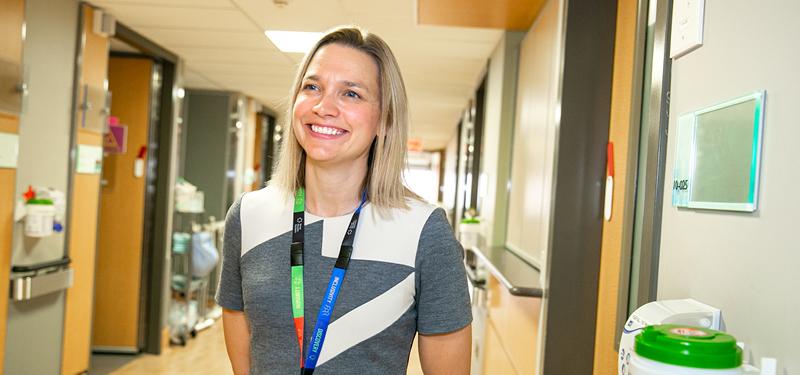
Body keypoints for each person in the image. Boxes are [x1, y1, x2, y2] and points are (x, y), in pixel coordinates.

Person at [216, 26, 472, 375]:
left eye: (351, 94)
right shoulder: (248, 216)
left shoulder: (424, 231)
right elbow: (241, 347)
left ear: (384, 119)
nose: (324, 107)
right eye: (312, 87)